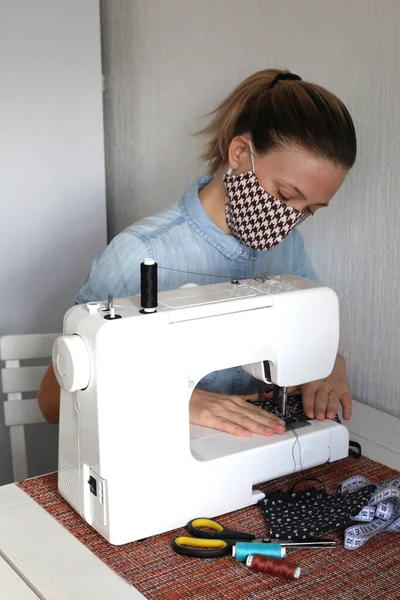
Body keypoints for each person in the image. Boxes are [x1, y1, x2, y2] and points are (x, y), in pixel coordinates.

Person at [38, 68, 356, 438]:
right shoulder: (141, 252)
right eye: (285, 196)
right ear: (240, 154)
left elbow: (306, 337)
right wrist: (177, 399)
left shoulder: (289, 252)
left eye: (309, 211)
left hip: (247, 451)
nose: (289, 220)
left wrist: (330, 364)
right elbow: (50, 401)